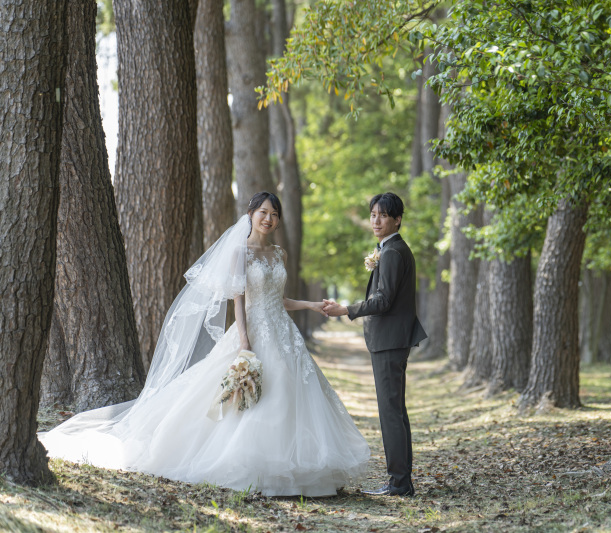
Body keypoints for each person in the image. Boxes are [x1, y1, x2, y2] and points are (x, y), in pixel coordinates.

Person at [39, 192, 370, 497]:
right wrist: (244, 341)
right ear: (251, 214)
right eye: (263, 212)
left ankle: (294, 469)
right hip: (252, 331)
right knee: (242, 396)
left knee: (288, 389)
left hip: (283, 333)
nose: (268, 219)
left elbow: (278, 299)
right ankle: (246, 463)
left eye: (274, 214)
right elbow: (239, 299)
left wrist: (312, 306)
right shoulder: (240, 252)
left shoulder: (278, 253)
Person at [323, 192, 427, 497]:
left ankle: (399, 483)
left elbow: (383, 301)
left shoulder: (393, 252)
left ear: (397, 220)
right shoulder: (391, 249)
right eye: (372, 215)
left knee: (391, 412)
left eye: (383, 215)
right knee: (395, 411)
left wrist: (346, 309)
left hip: (390, 341)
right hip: (391, 340)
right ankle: (401, 481)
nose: (376, 221)